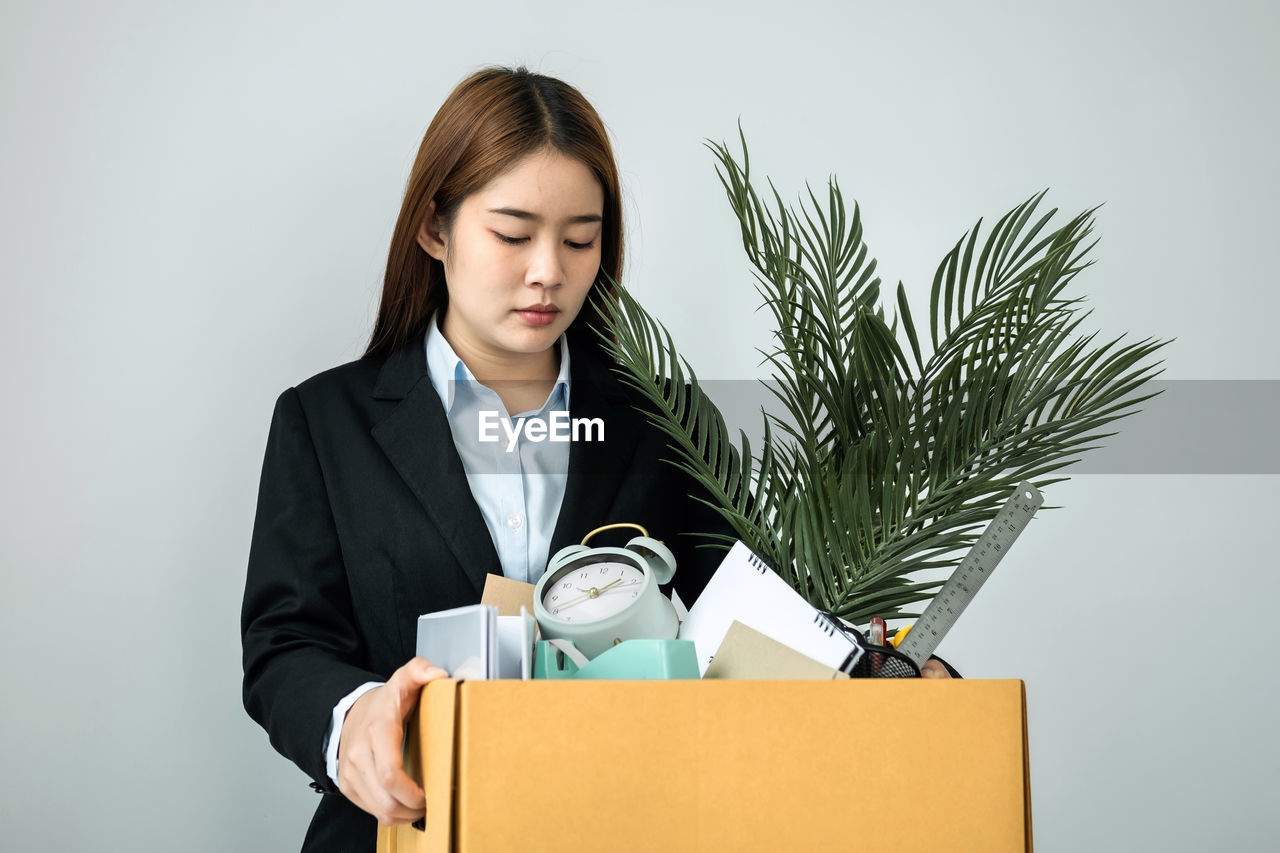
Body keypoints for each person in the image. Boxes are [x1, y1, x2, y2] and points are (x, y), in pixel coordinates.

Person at [241, 64, 952, 853]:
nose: (550, 270)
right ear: (435, 229)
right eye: (513, 234)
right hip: (409, 828)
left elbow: (742, 623)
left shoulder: (665, 419)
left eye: (581, 238)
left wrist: (880, 664)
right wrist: (354, 715)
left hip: (631, 826)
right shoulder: (325, 421)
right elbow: (285, 643)